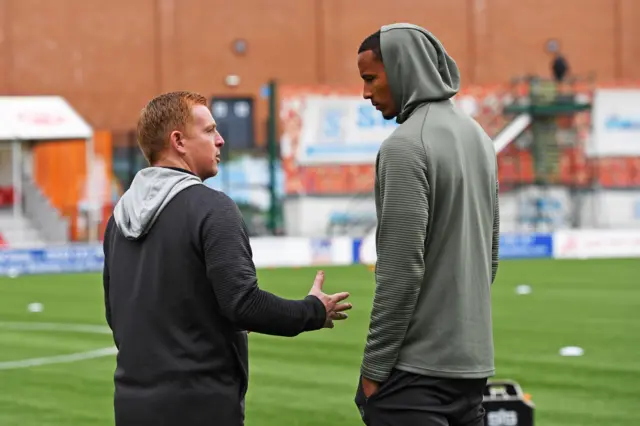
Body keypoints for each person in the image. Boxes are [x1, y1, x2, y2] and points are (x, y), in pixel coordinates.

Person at [102, 91, 352, 426]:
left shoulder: (118, 219)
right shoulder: (212, 207)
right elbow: (243, 305)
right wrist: (313, 310)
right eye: (208, 131)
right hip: (200, 405)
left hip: (131, 406)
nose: (220, 140)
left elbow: (117, 316)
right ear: (178, 141)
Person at [354, 24, 500, 425]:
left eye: (370, 78)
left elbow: (400, 273)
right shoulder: (479, 138)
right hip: (471, 368)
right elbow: (490, 257)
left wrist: (374, 370)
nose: (366, 93)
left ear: (402, 69)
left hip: (415, 375)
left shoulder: (405, 146)